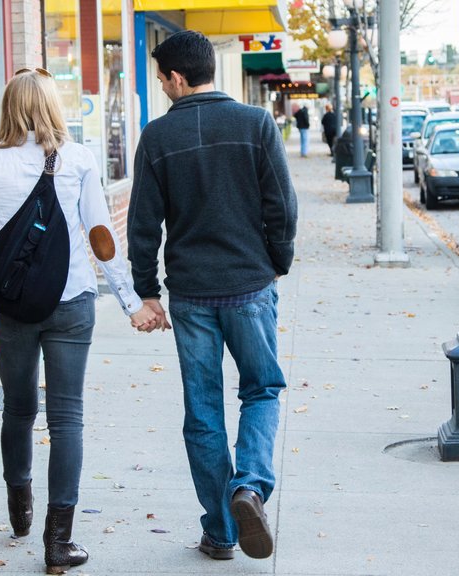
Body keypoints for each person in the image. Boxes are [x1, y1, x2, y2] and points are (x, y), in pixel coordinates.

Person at [0, 67, 158, 575]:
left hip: (9, 307)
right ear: (52, 107)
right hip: (71, 302)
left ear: (9, 107)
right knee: (67, 419)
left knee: (18, 409)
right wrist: (132, 303)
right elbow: (100, 237)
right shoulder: (78, 159)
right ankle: (58, 542)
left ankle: (19, 505)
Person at [128, 30, 297, 561]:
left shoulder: (157, 137)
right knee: (262, 391)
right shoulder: (255, 124)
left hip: (192, 295)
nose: (160, 85)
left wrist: (146, 291)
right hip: (249, 286)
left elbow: (142, 225)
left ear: (177, 78)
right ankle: (249, 486)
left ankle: (221, 531)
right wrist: (276, 262)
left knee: (202, 411)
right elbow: (283, 208)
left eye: (160, 77)